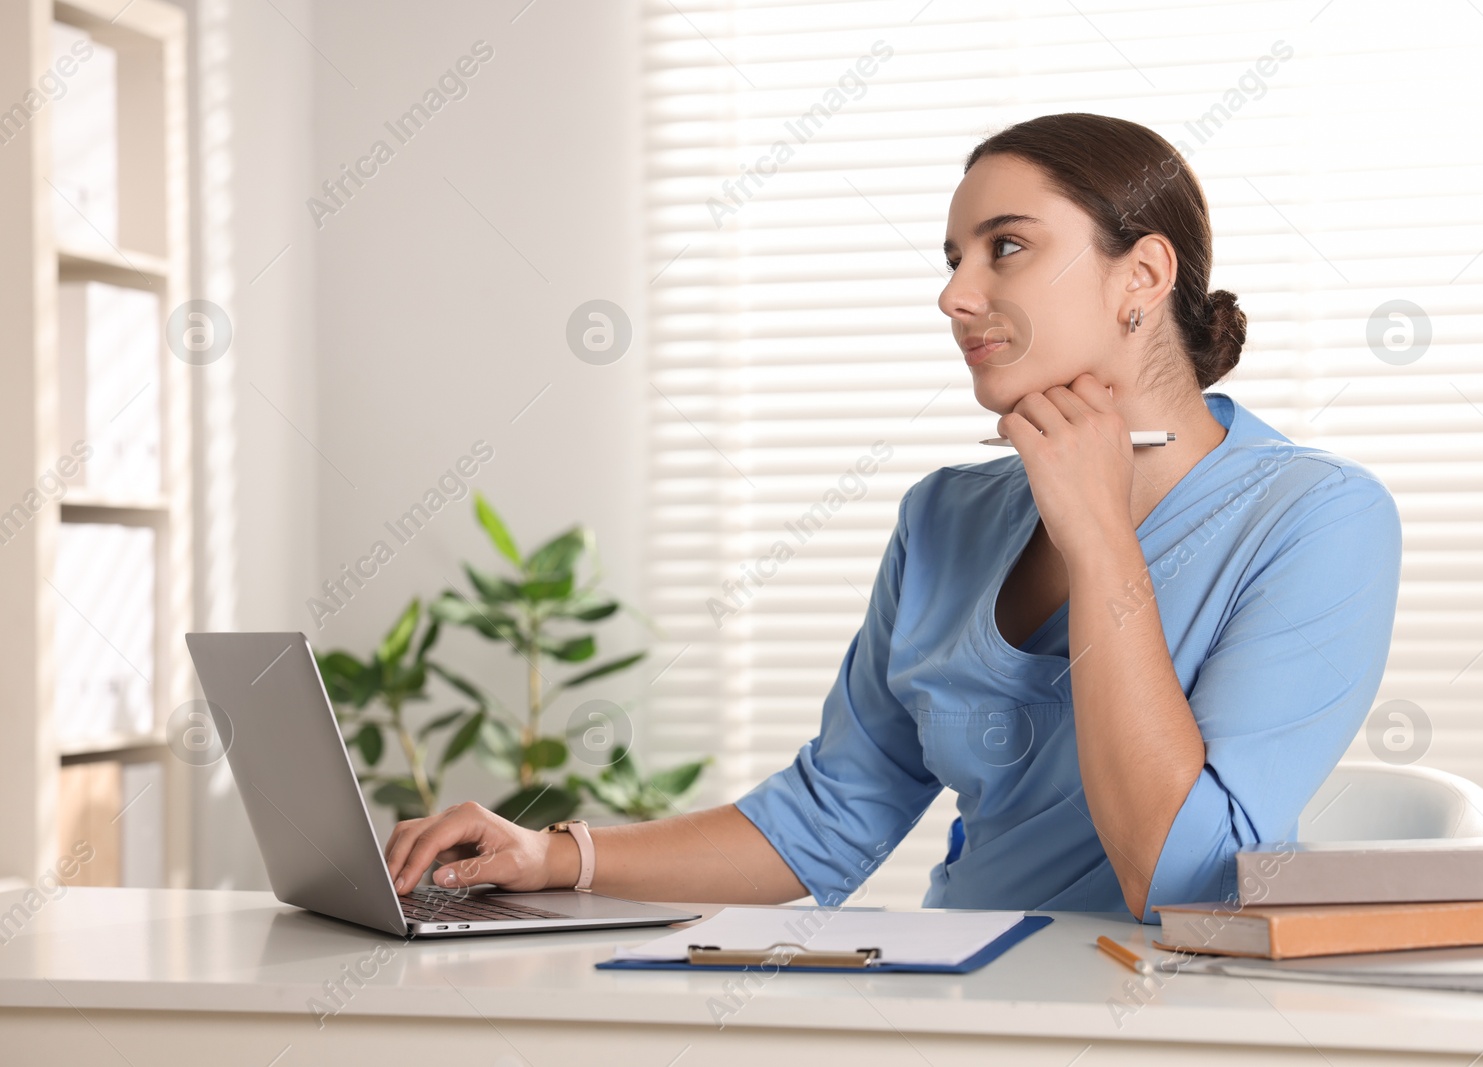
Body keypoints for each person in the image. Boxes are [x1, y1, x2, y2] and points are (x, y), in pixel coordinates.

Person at [385, 113, 1402, 923]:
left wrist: (1097, 533)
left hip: (1173, 1021)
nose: (955, 294)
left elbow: (1185, 881)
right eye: (954, 255)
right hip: (953, 1002)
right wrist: (553, 854)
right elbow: (831, 816)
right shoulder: (947, 516)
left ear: (1140, 275)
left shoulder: (1317, 518)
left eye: (1005, 248)